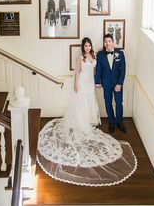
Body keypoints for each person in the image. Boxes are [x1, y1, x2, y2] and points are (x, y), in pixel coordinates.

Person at [37, 37, 136, 186]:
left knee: (111, 103)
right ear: (83, 47)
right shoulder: (87, 57)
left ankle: (117, 122)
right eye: (86, 45)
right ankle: (98, 122)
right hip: (87, 82)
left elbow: (105, 69)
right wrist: (77, 84)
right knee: (100, 103)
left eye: (89, 45)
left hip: (99, 83)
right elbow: (80, 71)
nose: (88, 47)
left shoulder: (105, 55)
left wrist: (112, 83)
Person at [95, 33, 126, 133]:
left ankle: (119, 122)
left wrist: (120, 84)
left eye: (109, 41)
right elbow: (98, 69)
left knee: (119, 103)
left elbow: (123, 70)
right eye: (105, 42)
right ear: (104, 44)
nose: (107, 43)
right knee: (108, 103)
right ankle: (111, 122)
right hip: (106, 83)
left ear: (112, 42)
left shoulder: (120, 54)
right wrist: (97, 81)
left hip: (117, 84)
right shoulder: (100, 54)